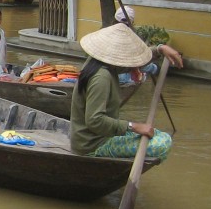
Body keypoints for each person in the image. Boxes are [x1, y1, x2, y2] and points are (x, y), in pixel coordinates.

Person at [70, 22, 183, 160]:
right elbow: (94, 121)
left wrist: (159, 49)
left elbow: (136, 61)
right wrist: (132, 126)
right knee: (162, 143)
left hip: (102, 136)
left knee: (157, 134)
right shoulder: (101, 77)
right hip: (92, 145)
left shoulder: (97, 61)